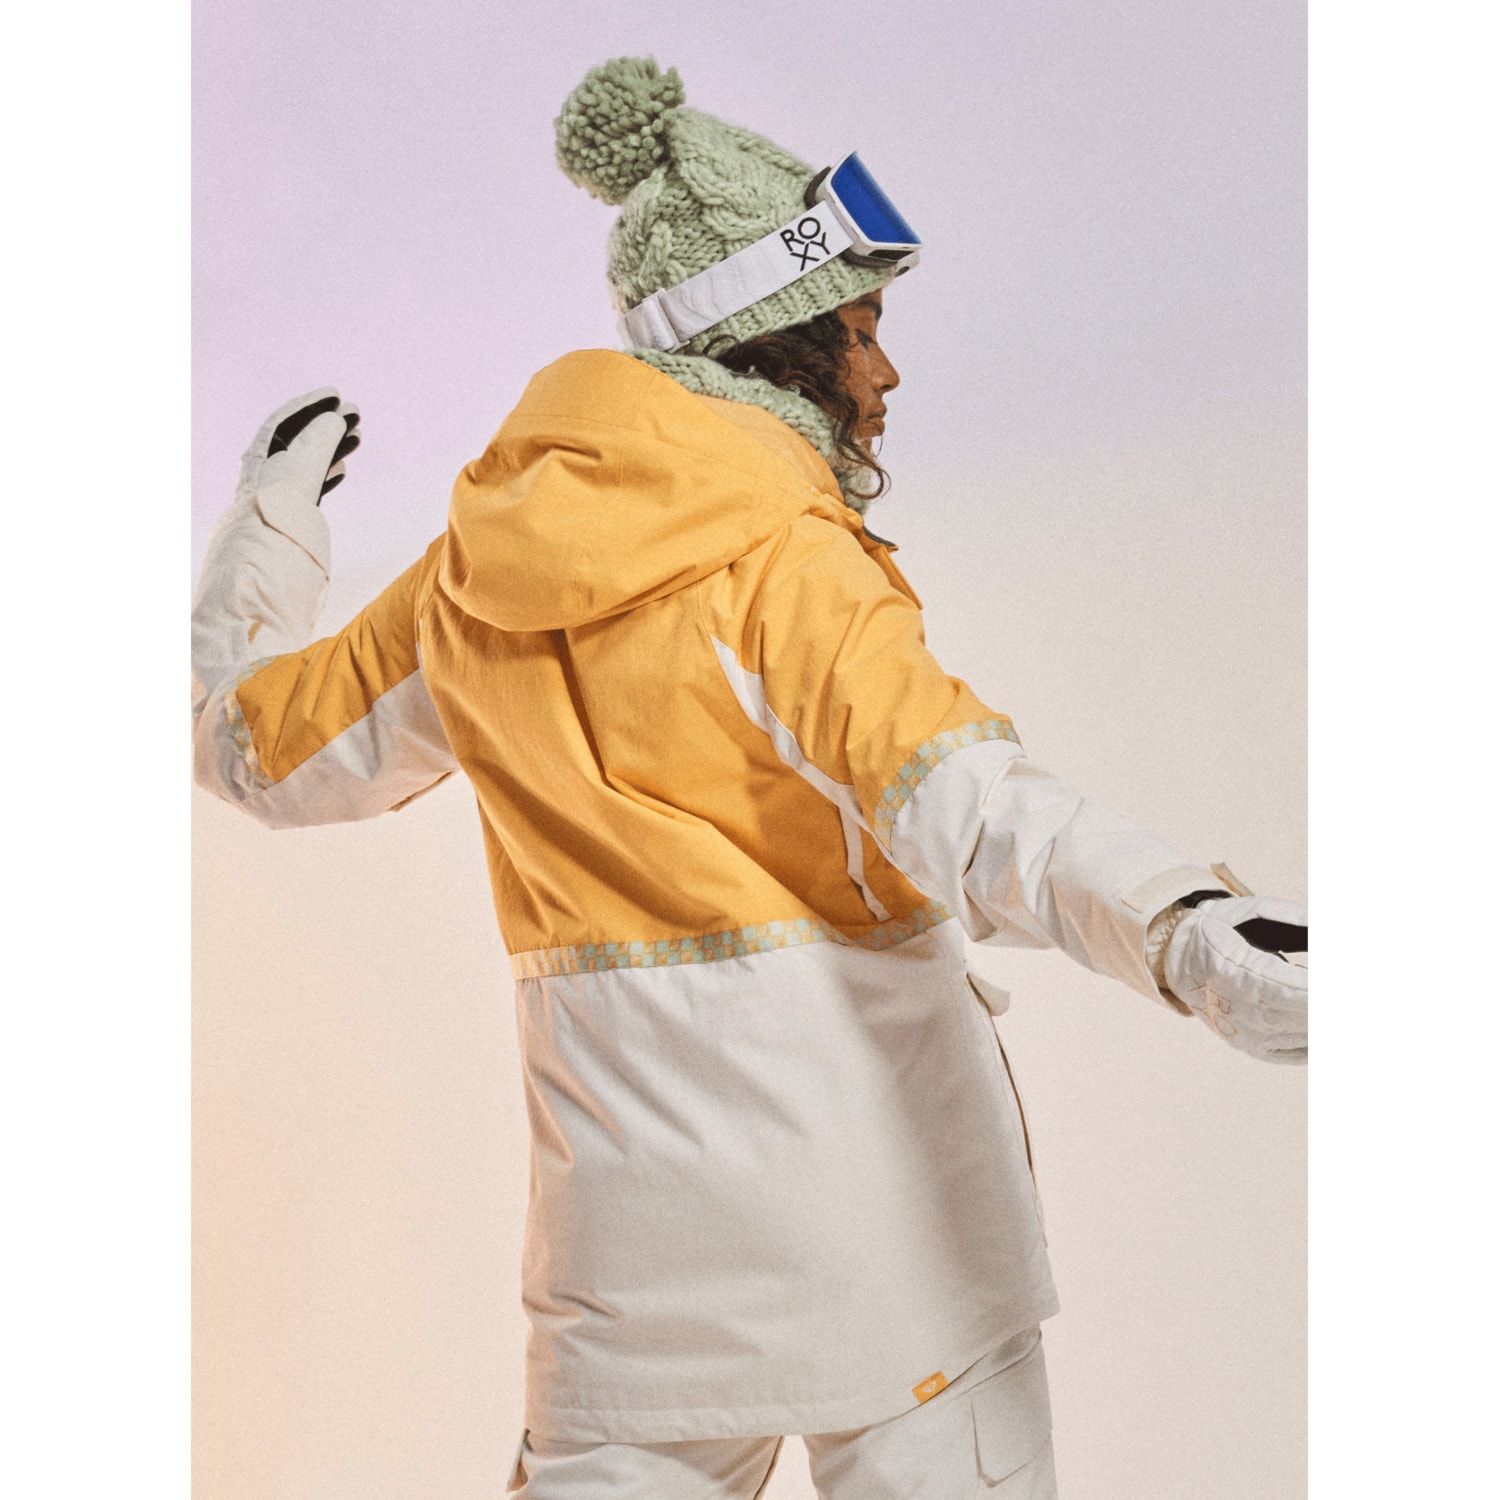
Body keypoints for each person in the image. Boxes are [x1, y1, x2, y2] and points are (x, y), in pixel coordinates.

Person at [192, 56, 1306, 1500]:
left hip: (626, 1301)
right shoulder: (780, 556)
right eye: (862, 330)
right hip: (894, 1253)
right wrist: (1188, 931)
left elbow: (249, 750)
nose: (887, 376)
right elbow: (967, 803)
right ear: (774, 341)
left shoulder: (467, 582)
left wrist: (268, 524)